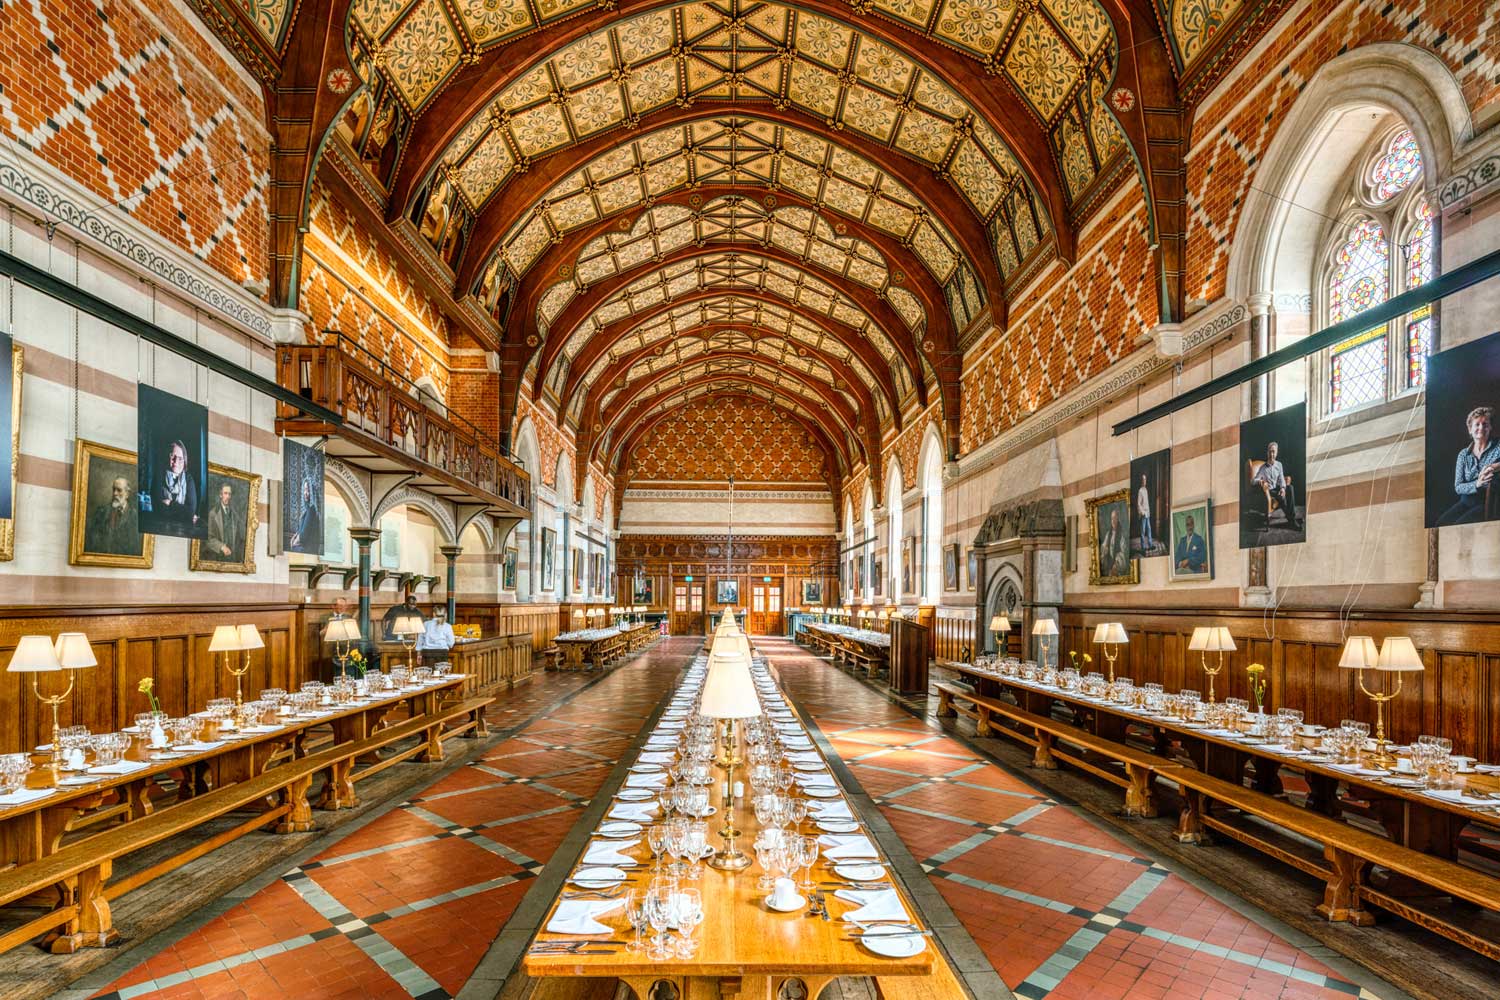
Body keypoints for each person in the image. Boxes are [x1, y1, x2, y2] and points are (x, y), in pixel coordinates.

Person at [1438, 406, 1500, 525]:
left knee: (1459, 526)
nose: (1481, 427)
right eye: (1477, 424)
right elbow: (1458, 486)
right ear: (1470, 429)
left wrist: (1494, 466)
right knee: (1440, 524)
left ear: (1490, 427)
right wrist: (1477, 484)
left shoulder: (1498, 446)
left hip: (1488, 503)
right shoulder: (1463, 455)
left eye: (1485, 424)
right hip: (1465, 502)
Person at [1251, 441, 1301, 530]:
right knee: (1281, 497)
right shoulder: (1263, 468)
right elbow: (1253, 481)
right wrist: (1260, 481)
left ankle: (1292, 519)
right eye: (1270, 451)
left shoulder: (1279, 465)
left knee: (1290, 488)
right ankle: (1292, 521)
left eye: (1273, 451)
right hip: (1269, 491)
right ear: (1267, 453)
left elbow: (1281, 478)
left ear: (1276, 453)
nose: (1272, 454)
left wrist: (1282, 488)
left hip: (1277, 488)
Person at [86, 475, 140, 555]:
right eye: (114, 489)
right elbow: (93, 539)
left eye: (119, 490)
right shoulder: (102, 512)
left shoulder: (135, 516)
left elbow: (134, 546)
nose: (115, 493)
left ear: (127, 494)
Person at [154, 439, 199, 532]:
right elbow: (157, 508)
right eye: (172, 456)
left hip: (183, 530)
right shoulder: (159, 475)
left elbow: (191, 512)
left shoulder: (189, 479)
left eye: (180, 458)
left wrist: (170, 503)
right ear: (168, 456)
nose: (175, 461)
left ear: (185, 460)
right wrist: (184, 513)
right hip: (161, 528)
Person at [204, 482, 242, 561]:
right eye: (225, 493)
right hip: (218, 557)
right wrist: (221, 547)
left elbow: (238, 540)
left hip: (233, 558)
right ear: (220, 495)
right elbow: (208, 538)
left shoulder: (235, 515)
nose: (227, 496)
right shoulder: (213, 514)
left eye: (229, 494)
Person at [289, 478, 321, 553]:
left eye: (308, 490)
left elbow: (303, 536)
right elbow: (300, 531)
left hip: (306, 549)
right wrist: (293, 538)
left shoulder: (311, 510)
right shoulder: (308, 510)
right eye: (304, 490)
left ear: (312, 492)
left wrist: (293, 543)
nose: (305, 493)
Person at [1100, 508, 1129, 577]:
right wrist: (1105, 549)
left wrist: (1116, 564)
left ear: (1118, 519)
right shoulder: (1108, 534)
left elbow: (1124, 552)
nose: (1113, 521)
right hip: (1109, 564)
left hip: (1117, 566)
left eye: (1115, 518)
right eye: (1112, 518)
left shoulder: (1122, 534)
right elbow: (1103, 547)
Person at [1136, 473, 1154, 552]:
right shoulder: (1140, 491)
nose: (1144, 481)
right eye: (1143, 479)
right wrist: (1142, 513)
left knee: (1149, 529)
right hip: (1143, 514)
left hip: (1147, 513)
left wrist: (1148, 512)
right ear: (1141, 481)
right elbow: (1139, 503)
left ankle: (1150, 545)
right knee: (1143, 531)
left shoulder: (1145, 490)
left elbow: (1146, 502)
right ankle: (1143, 547)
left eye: (1145, 479)